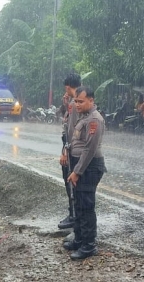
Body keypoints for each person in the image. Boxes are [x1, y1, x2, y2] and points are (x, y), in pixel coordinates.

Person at [63, 86, 107, 260]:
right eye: (76, 101)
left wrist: (77, 172)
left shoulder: (95, 120)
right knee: (79, 203)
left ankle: (89, 245)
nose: (77, 104)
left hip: (89, 167)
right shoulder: (83, 117)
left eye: (81, 101)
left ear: (91, 100)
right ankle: (80, 238)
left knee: (87, 206)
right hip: (80, 165)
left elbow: (89, 149)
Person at [58, 73, 82, 231]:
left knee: (71, 183)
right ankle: (76, 216)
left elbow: (71, 130)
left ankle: (74, 216)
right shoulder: (78, 102)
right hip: (75, 147)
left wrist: (65, 151)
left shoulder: (75, 104)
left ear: (67, 87)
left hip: (72, 148)